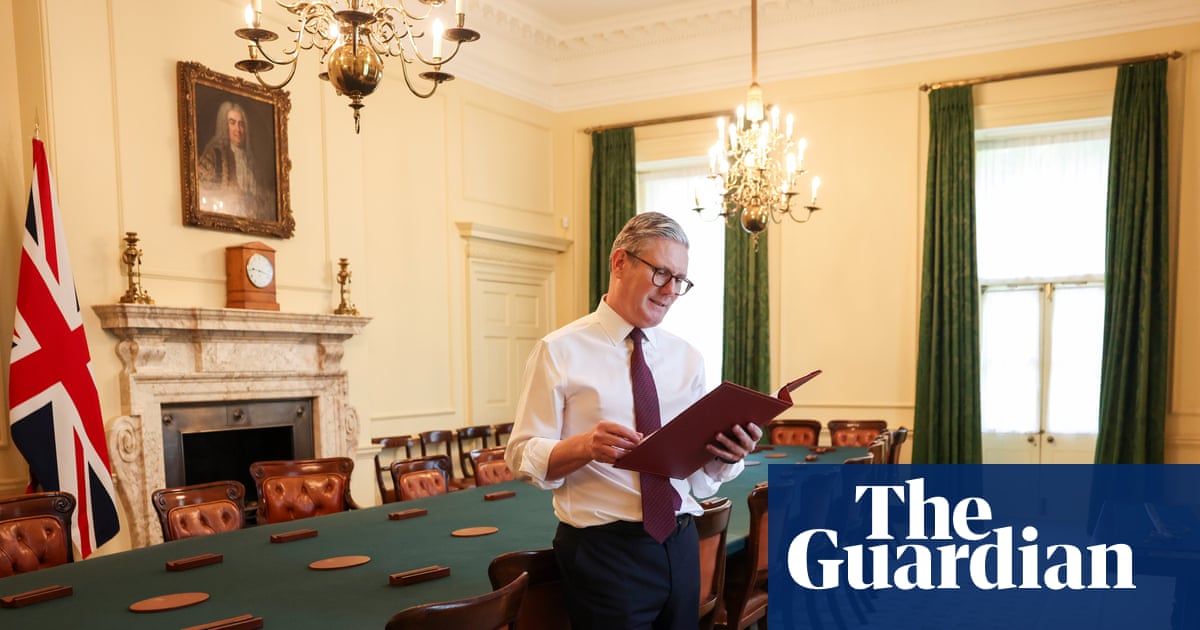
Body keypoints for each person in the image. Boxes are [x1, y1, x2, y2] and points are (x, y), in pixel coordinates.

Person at [506, 212, 762, 630]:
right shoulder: (558, 350)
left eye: (680, 280)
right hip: (603, 553)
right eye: (661, 273)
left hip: (681, 542)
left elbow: (699, 482)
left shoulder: (688, 358)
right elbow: (521, 456)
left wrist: (724, 456)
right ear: (620, 263)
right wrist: (585, 446)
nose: (671, 291)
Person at [197, 100, 270, 220]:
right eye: (232, 123)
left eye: (241, 124)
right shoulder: (214, 155)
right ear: (224, 126)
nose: (238, 130)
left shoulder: (252, 163)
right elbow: (202, 193)